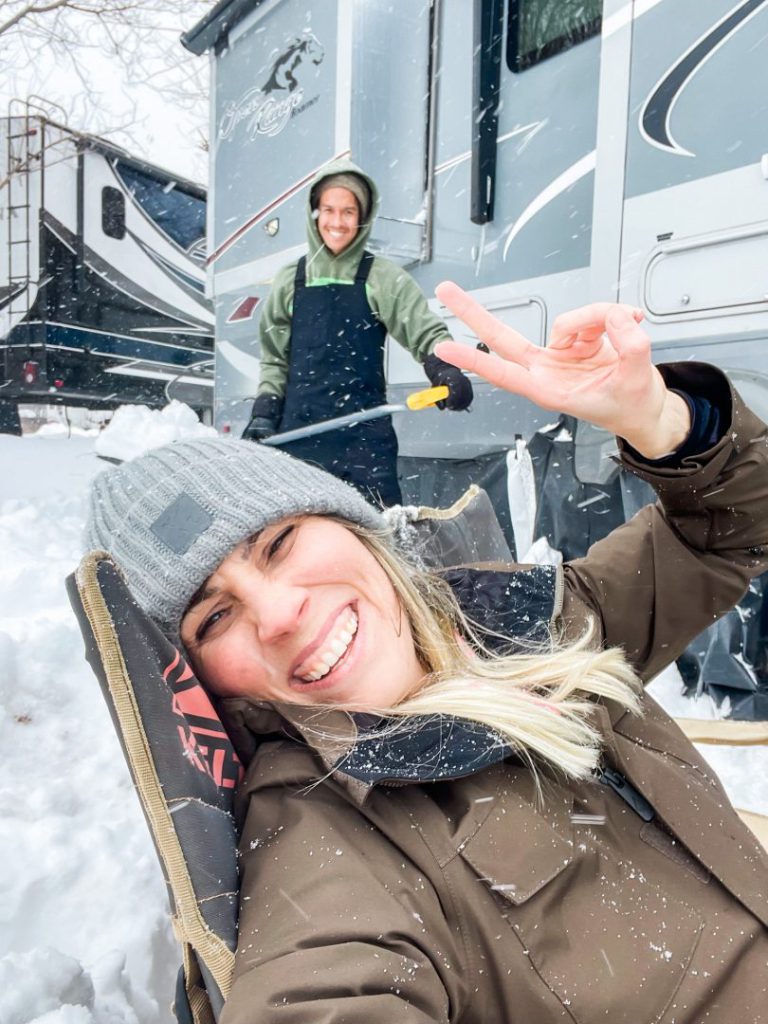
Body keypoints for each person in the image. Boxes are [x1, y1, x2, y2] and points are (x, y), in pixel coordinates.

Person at [85, 284, 768, 1024]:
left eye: (279, 544)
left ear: (351, 526)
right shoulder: (324, 828)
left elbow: (724, 530)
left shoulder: (530, 621)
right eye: (215, 619)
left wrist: (662, 421)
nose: (280, 614)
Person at [240, 159, 473, 506]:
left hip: (365, 441)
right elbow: (275, 359)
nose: (337, 222)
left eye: (348, 211)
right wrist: (264, 411)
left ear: (362, 217)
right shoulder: (291, 280)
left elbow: (422, 329)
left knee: (377, 542)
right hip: (300, 437)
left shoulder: (381, 277)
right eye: (329, 210)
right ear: (314, 213)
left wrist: (444, 368)